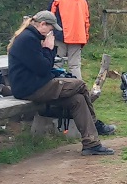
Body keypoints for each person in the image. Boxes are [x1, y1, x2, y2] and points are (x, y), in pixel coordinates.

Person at [8, 11, 115, 155]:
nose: (51, 33)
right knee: (80, 85)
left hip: (36, 85)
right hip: (30, 88)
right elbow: (43, 68)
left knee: (77, 100)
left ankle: (91, 144)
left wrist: (47, 50)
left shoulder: (31, 37)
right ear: (42, 24)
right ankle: (95, 123)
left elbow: (43, 68)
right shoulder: (28, 39)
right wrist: (49, 48)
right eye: (51, 29)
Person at [48, 0, 89, 82]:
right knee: (75, 65)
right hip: (78, 36)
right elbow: (86, 21)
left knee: (57, 63)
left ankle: (55, 87)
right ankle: (78, 88)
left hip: (60, 35)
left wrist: (48, 35)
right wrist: (85, 36)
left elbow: (49, 17)